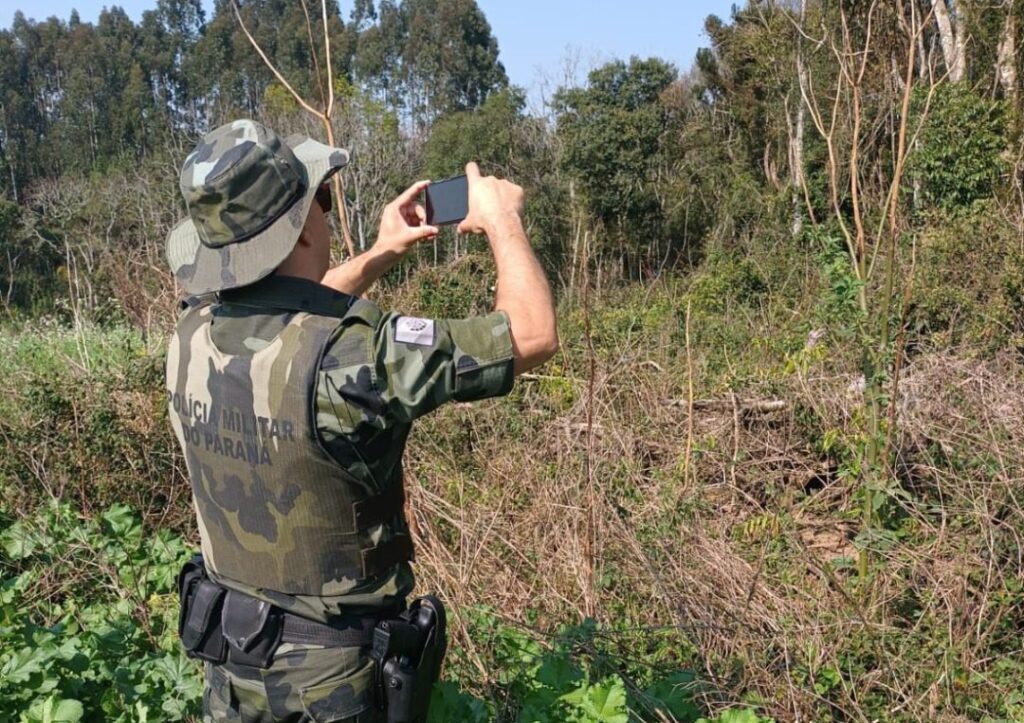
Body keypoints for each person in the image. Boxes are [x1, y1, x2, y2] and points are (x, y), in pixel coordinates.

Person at [164, 119, 557, 723]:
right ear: (299, 230)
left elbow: (289, 312)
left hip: (230, 661)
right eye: (320, 199)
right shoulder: (358, 355)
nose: (325, 210)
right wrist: (502, 217)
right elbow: (530, 333)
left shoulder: (191, 334)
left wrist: (382, 252)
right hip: (333, 687)